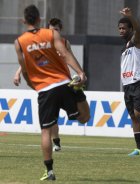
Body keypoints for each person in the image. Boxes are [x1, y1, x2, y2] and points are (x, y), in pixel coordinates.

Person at [14, 5, 90, 180]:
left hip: (45, 89)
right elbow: (65, 53)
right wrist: (80, 72)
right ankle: (78, 91)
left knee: (45, 131)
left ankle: (49, 171)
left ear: (24, 21)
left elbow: (25, 69)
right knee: (84, 118)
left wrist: (32, 85)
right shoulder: (51, 34)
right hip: (64, 83)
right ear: (40, 19)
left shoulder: (19, 42)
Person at [13, 17, 80, 152]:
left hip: (63, 82)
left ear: (60, 31)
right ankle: (56, 142)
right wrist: (18, 72)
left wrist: (79, 72)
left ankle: (56, 141)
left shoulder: (65, 43)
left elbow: (69, 57)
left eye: (56, 29)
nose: (53, 31)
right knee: (52, 119)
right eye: (51, 29)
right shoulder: (43, 43)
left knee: (79, 115)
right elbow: (28, 60)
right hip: (48, 83)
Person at [118, 7, 140, 156]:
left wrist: (131, 17)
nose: (121, 30)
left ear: (131, 29)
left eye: (124, 28)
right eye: (119, 28)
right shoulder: (124, 47)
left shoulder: (136, 41)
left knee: (139, 114)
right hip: (128, 85)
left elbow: (139, 30)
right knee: (133, 117)